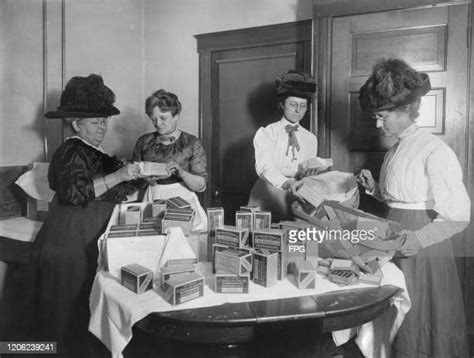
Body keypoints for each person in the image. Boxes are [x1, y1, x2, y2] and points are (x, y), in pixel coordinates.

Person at [2, 74, 140, 357]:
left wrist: (144, 174)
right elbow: (74, 193)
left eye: (104, 120)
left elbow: (117, 187)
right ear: (76, 123)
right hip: (69, 240)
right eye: (94, 121)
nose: (102, 126)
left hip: (88, 237)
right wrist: (119, 175)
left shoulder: (94, 152)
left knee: (83, 311)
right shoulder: (70, 151)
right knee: (63, 314)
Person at [356, 58, 471, 357]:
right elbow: (403, 197)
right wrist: (375, 190)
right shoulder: (397, 147)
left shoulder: (435, 150)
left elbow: (459, 216)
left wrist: (418, 240)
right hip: (393, 237)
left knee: (418, 324)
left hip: (422, 248)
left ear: (405, 110)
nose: (378, 123)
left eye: (382, 116)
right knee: (393, 318)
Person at [248, 70, 325, 221]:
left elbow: (305, 172)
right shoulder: (266, 133)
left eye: (303, 106)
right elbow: (265, 167)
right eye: (293, 104)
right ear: (282, 104)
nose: (298, 110)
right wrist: (287, 182)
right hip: (268, 193)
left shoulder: (310, 139)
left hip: (297, 195)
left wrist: (308, 174)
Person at [133, 89, 208, 230]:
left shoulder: (191, 142)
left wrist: (182, 173)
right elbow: (133, 179)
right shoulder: (144, 141)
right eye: (154, 119)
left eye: (163, 118)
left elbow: (201, 185)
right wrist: (147, 180)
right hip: (153, 197)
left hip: (182, 199)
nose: (158, 123)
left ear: (176, 116)